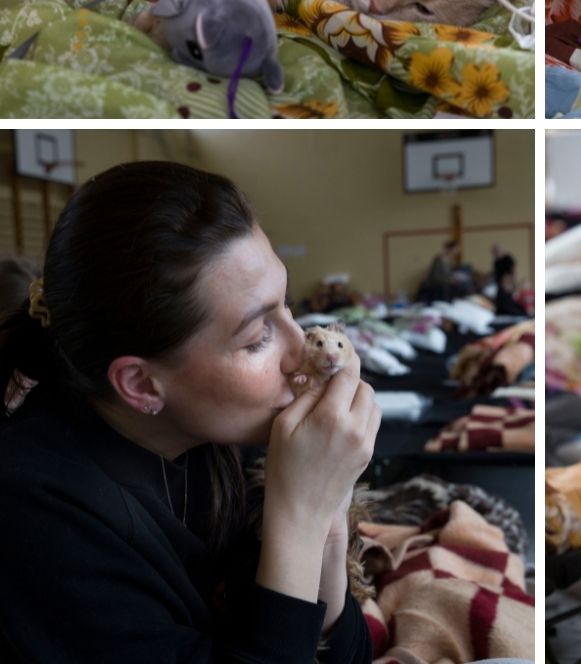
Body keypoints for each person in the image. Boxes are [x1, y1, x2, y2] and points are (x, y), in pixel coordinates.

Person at [0, 161, 381, 663]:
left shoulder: (212, 440)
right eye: (258, 337)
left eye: (285, 305)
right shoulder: (36, 517)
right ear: (140, 384)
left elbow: (345, 657)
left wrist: (329, 510)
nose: (301, 352)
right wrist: (299, 515)